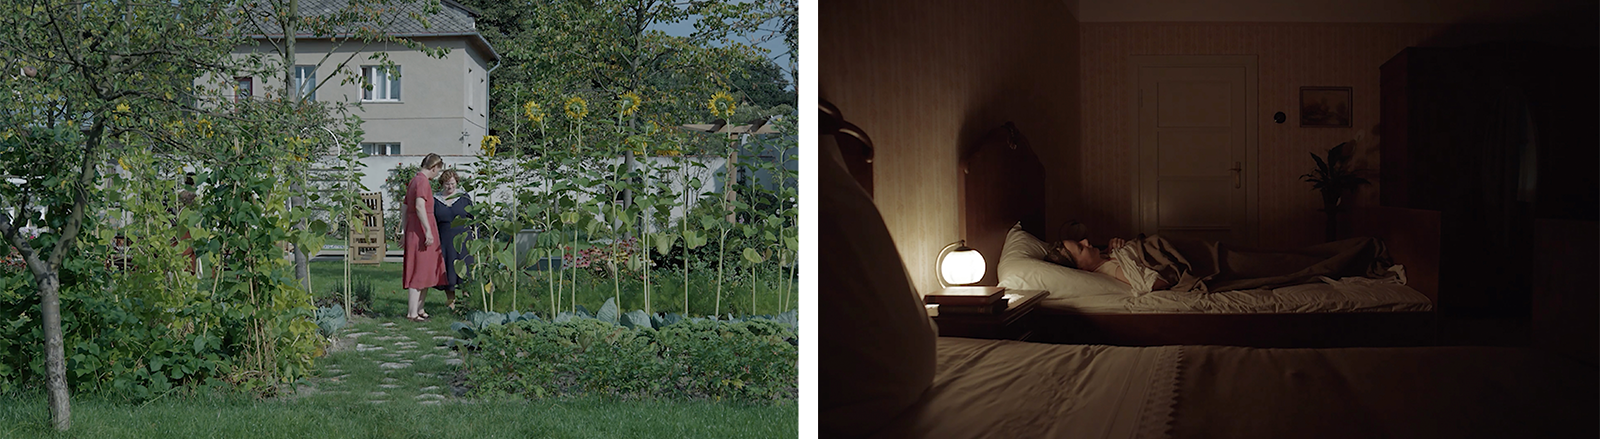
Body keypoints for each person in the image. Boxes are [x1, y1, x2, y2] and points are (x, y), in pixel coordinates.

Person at [401, 153, 447, 322]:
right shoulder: (422, 182)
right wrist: (427, 230)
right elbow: (419, 206)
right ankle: (412, 313)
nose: (437, 175)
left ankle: (420, 309)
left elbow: (405, 208)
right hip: (421, 230)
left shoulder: (414, 181)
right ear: (433, 168)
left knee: (426, 269)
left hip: (414, 228)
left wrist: (404, 230)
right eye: (437, 171)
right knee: (419, 270)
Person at [431, 169, 473, 310]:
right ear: (442, 184)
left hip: (463, 240)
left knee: (465, 271)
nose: (450, 187)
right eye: (447, 184)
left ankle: (467, 303)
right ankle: (451, 303)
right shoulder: (435, 199)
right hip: (444, 240)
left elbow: (473, 218)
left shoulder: (464, 197)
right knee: (448, 271)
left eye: (453, 184)